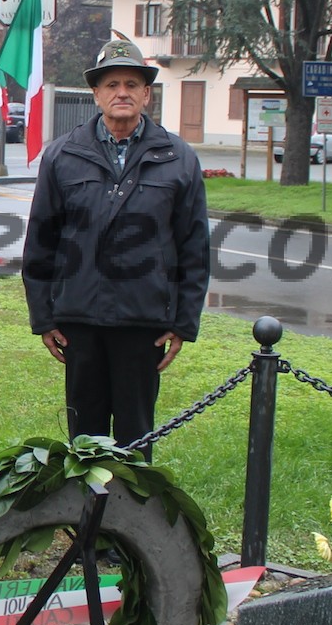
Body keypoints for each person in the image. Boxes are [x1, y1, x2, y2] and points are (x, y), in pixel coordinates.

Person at [21, 37, 210, 449]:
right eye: (111, 84)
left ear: (146, 94)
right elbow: (41, 243)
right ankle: (87, 496)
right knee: (85, 441)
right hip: (80, 320)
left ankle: (131, 496)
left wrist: (183, 322)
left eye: (131, 84)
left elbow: (194, 247)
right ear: (96, 94)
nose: (121, 93)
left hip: (143, 322)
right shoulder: (63, 155)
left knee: (136, 438)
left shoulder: (178, 158)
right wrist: (44, 318)